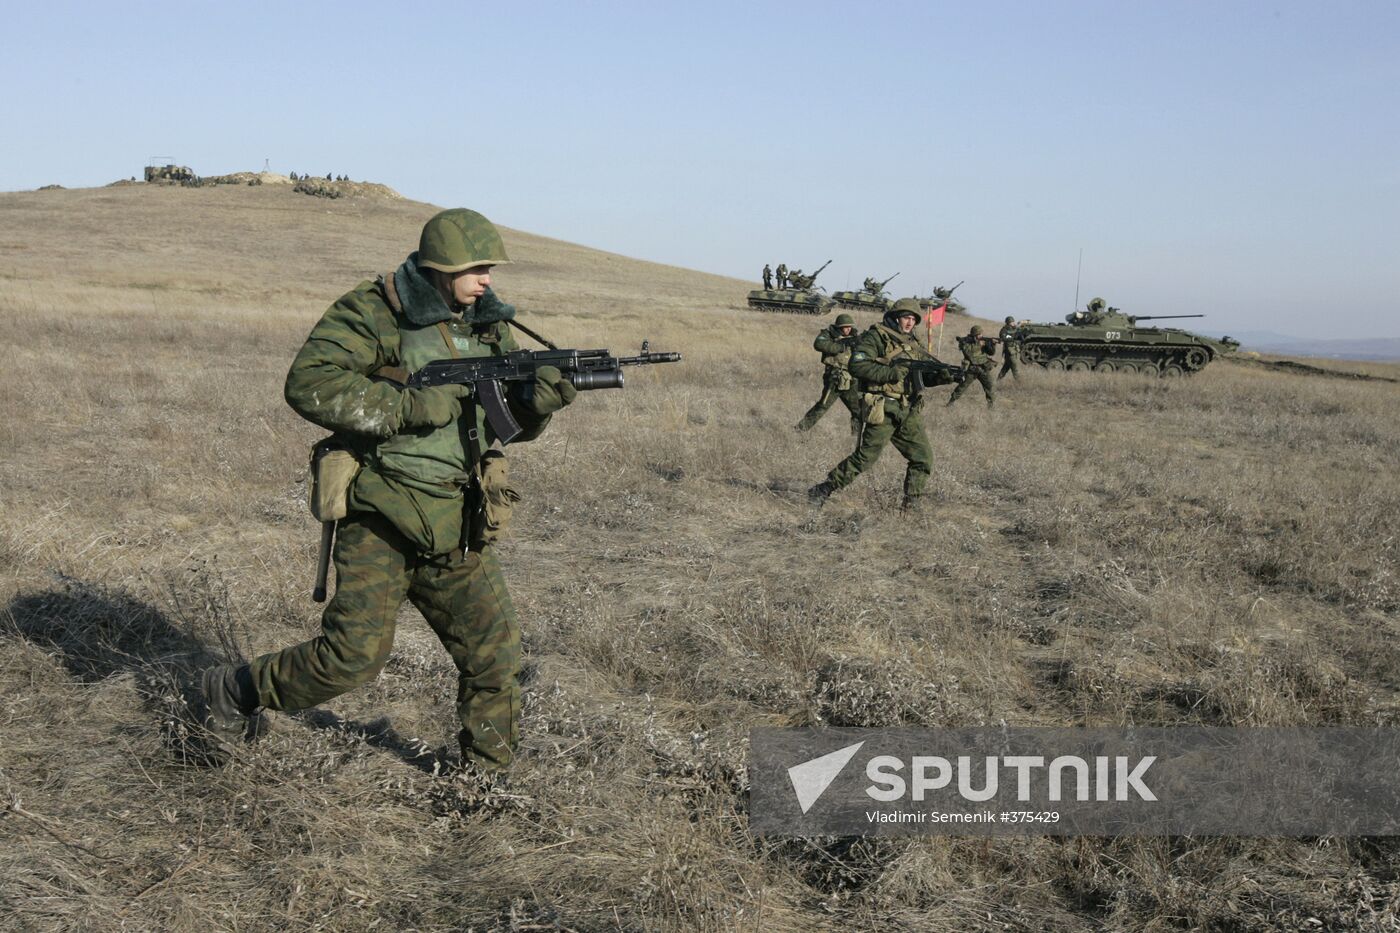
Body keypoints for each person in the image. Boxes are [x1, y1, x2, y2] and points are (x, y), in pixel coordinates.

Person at [194, 208, 576, 773]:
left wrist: (531, 408)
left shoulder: (488, 325)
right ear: (440, 267)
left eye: (490, 268)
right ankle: (233, 690)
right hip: (382, 514)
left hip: (455, 518)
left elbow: (497, 424)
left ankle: (488, 781)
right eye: (476, 267)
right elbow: (308, 383)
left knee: (496, 656)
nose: (487, 279)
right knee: (350, 660)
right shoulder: (375, 310)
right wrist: (407, 406)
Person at [808, 299, 943, 511]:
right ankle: (823, 489)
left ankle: (912, 506)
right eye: (906, 317)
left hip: (907, 409)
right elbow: (857, 365)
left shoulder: (913, 342)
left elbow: (920, 377)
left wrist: (944, 377)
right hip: (883, 407)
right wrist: (890, 373)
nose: (910, 323)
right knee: (865, 458)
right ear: (896, 317)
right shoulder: (876, 336)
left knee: (923, 458)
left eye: (913, 319)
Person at [795, 313, 861, 434]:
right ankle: (800, 429)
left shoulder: (856, 337)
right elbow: (819, 344)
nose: (848, 329)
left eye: (849, 327)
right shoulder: (828, 334)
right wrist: (841, 346)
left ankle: (856, 437)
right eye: (845, 327)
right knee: (822, 406)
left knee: (858, 410)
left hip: (851, 378)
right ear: (838, 327)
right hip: (834, 377)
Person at [947, 324, 997, 406]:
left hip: (983, 368)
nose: (981, 335)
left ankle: (991, 406)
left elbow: (991, 353)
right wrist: (978, 345)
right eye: (979, 334)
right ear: (974, 334)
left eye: (981, 334)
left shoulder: (983, 341)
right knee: (963, 386)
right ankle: (950, 402)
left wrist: (992, 344)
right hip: (972, 369)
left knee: (990, 386)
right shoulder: (965, 341)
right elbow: (968, 352)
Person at [997, 315, 1021, 381]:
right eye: (1012, 322)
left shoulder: (1014, 329)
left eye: (1014, 322)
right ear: (1008, 323)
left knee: (1006, 366)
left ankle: (998, 379)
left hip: (1014, 350)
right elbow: (1003, 337)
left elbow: (1018, 336)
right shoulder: (1004, 330)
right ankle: (1019, 382)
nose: (1014, 323)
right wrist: (1012, 337)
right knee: (1014, 366)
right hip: (1009, 351)